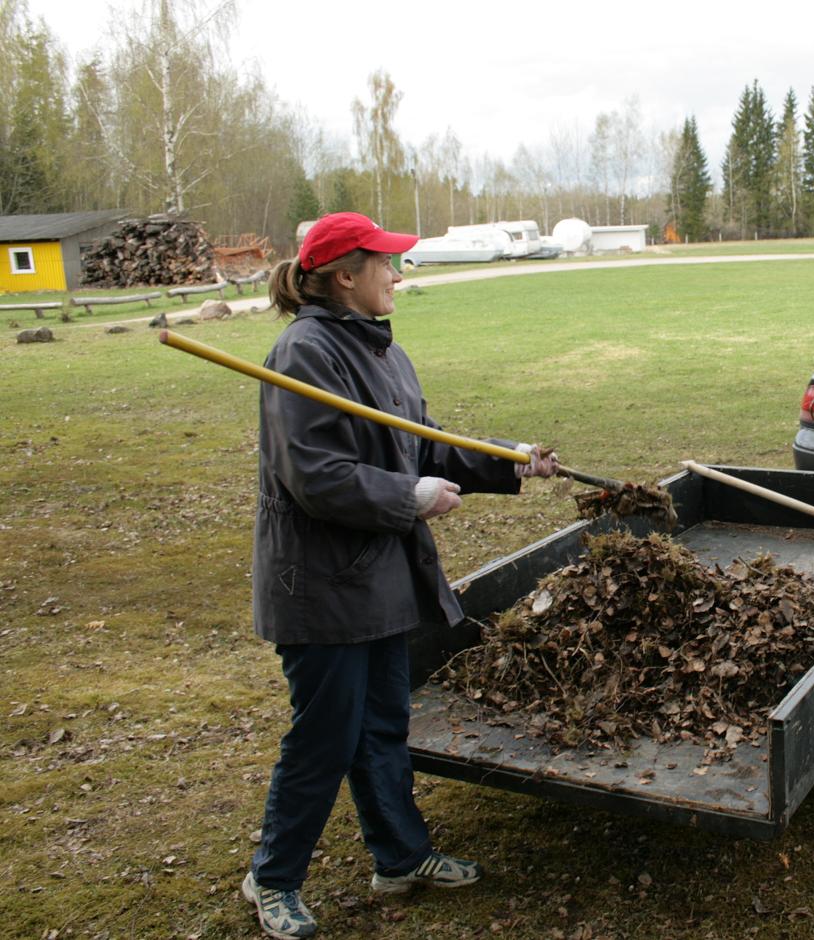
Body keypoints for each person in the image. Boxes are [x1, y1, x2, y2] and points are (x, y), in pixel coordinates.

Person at [242, 212, 559, 939]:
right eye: (386, 262)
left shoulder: (382, 352)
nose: (398, 273)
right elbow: (314, 475)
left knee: (383, 725)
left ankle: (400, 856)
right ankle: (273, 876)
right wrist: (404, 497)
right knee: (324, 736)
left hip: (379, 579)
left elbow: (423, 445)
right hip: (321, 589)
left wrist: (507, 459)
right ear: (345, 274)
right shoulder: (303, 354)